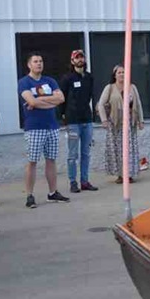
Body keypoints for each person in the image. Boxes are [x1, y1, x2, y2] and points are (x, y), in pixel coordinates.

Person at [18, 53, 69, 209]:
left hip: (52, 126)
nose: (39, 64)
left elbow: (61, 99)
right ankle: (29, 195)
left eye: (41, 61)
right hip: (34, 127)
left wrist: (38, 102)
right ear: (29, 65)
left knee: (51, 160)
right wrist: (47, 101)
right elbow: (30, 100)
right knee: (32, 161)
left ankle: (52, 192)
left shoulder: (50, 81)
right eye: (35, 61)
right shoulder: (24, 82)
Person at [59, 49, 99, 194]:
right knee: (73, 153)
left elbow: (90, 96)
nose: (80, 60)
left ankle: (84, 181)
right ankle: (73, 182)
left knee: (86, 152)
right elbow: (61, 98)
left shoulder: (89, 77)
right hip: (72, 121)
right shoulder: (67, 78)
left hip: (86, 120)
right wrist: (63, 115)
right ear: (72, 61)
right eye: (77, 58)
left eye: (81, 57)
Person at [98, 65, 144, 184]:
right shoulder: (110, 88)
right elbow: (101, 104)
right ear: (114, 75)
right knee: (117, 150)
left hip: (129, 122)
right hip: (115, 124)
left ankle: (128, 174)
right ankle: (120, 175)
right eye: (119, 72)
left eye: (124, 72)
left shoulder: (132, 87)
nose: (122, 74)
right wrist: (104, 120)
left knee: (128, 149)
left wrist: (141, 121)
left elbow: (138, 104)